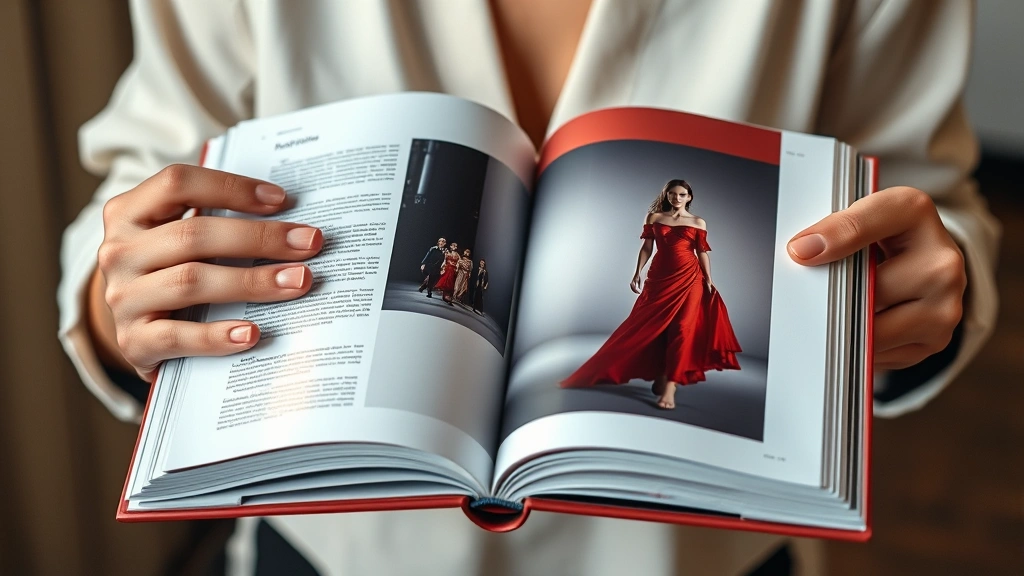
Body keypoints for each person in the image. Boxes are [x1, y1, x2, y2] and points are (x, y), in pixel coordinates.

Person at [59, 1, 1000, 574]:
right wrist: (125, 301)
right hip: (333, 546)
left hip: (698, 554)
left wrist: (919, 298)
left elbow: (922, 194)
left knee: (675, 351)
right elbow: (147, 180)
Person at [560, 180, 742, 410]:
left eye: (682, 195)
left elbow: (702, 252)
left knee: (683, 329)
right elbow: (647, 247)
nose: (677, 198)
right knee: (652, 327)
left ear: (689, 197)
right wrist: (637, 272)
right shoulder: (654, 217)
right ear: (667, 196)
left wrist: (708, 279)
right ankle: (661, 372)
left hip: (690, 279)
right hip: (659, 279)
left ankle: (670, 387)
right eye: (673, 194)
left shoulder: (698, 222)